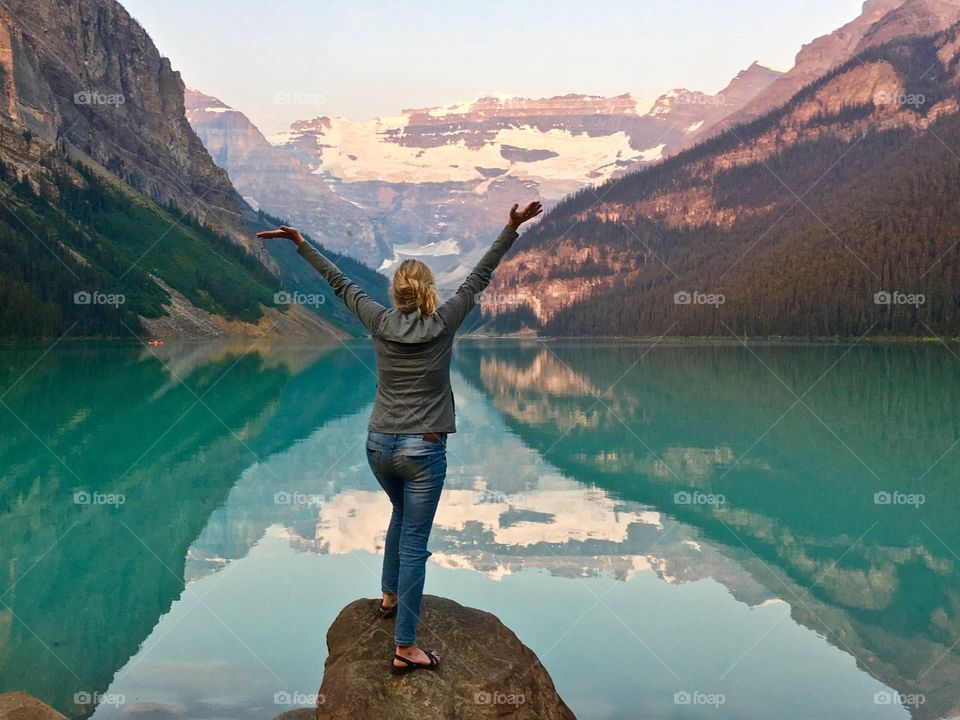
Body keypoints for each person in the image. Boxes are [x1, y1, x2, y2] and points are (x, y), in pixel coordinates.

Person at [256, 201, 543, 674]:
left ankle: (389, 595)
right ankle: (405, 647)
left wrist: (302, 245)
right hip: (423, 449)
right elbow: (481, 275)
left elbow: (339, 282)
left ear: (395, 291)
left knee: (399, 513)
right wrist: (511, 228)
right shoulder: (445, 320)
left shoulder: (377, 319)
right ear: (428, 292)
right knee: (415, 542)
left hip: (379, 447)